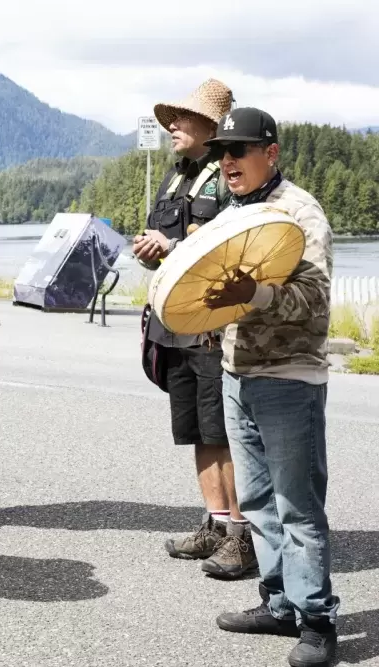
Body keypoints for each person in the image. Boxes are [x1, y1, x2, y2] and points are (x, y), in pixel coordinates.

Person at [202, 108, 339, 667]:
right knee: (257, 501)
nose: (227, 161)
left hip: (289, 377)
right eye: (220, 153)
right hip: (238, 372)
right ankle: (280, 603)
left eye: (239, 150)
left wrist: (252, 296)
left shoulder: (299, 212)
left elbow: (315, 299)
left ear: (272, 153)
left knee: (297, 505)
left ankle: (317, 622)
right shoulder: (236, 212)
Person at [132, 79, 258, 580]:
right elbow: (163, 241)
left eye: (182, 118)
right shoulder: (173, 176)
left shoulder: (232, 177)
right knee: (197, 431)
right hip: (173, 325)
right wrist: (151, 249)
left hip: (213, 326)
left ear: (211, 127)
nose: (172, 127)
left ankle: (243, 538)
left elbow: (235, 246)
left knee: (227, 432)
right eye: (171, 119)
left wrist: (175, 246)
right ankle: (215, 521)